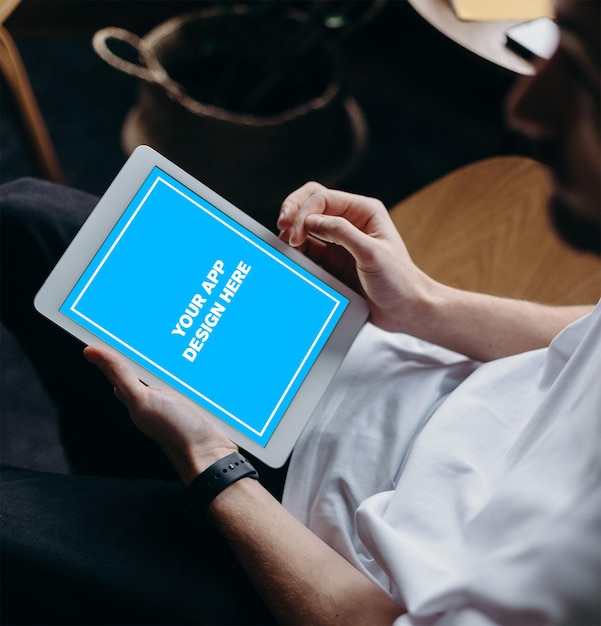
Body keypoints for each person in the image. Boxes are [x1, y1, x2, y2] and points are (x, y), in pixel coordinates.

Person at [1, 0, 599, 624]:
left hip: (313, 556)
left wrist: (207, 461)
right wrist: (424, 305)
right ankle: (115, 472)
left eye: (582, 75)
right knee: (23, 215)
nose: (521, 106)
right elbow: (586, 336)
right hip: (382, 370)